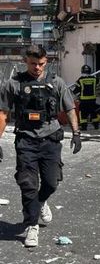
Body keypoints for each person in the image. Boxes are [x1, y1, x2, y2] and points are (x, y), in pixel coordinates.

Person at [0, 45, 82, 248]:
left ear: (47, 62)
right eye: (33, 64)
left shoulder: (56, 83)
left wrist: (77, 134)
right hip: (26, 140)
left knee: (51, 182)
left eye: (41, 64)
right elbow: (2, 113)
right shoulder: (13, 84)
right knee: (27, 184)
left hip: (50, 140)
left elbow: (70, 108)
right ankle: (32, 225)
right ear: (25, 62)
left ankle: (42, 201)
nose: (37, 67)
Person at [75, 65, 99, 131]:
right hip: (92, 100)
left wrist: (76, 96)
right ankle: (96, 126)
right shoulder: (94, 79)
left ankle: (84, 127)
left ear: (82, 71)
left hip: (84, 101)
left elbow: (76, 90)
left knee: (83, 114)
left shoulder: (80, 80)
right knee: (93, 113)